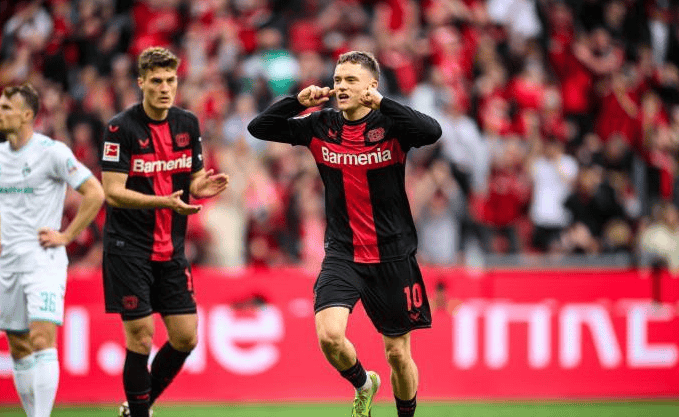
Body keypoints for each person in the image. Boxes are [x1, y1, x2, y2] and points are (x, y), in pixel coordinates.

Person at [248, 51, 442, 417]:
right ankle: (363, 385)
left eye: (351, 80)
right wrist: (296, 101)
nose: (341, 86)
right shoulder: (320, 125)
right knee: (329, 336)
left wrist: (384, 103)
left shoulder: (392, 124)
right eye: (338, 79)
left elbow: (432, 131)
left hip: (392, 255)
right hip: (344, 253)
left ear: (371, 86)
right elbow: (259, 128)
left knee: (397, 354)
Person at [100, 47, 228, 417]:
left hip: (170, 248)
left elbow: (193, 180)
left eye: (170, 80)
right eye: (156, 81)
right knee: (141, 337)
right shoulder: (120, 128)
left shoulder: (187, 123)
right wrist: (164, 202)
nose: (165, 87)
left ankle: (136, 407)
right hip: (129, 247)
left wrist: (202, 187)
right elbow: (112, 192)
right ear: (141, 82)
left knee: (186, 337)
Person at [0, 83, 105, 417]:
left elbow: (95, 192)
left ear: (27, 115)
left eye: (6, 108)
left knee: (42, 339)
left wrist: (67, 235)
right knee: (18, 345)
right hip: (7, 262)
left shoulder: (53, 152)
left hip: (42, 258)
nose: (0, 113)